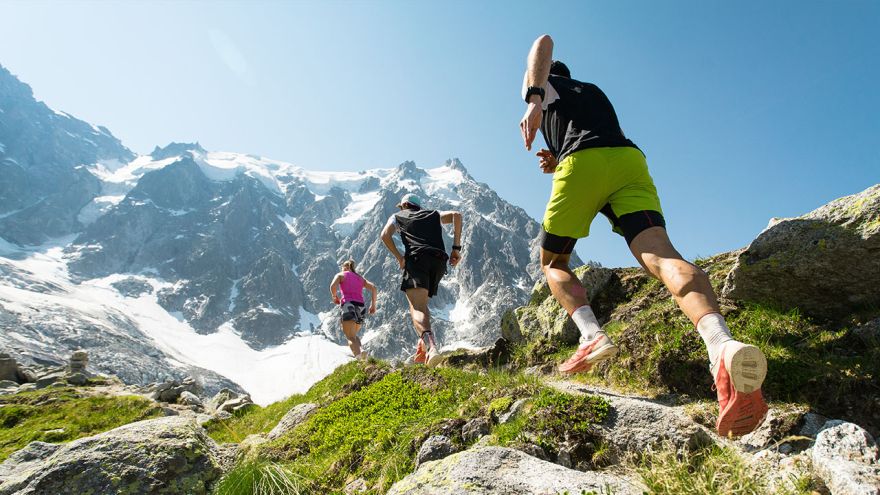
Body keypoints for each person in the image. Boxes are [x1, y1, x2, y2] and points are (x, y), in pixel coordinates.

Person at [518, 34, 768, 437]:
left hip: (583, 165)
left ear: (547, 79)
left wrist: (532, 97)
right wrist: (556, 154)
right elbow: (583, 133)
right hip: (628, 161)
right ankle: (721, 345)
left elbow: (541, 43)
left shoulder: (543, 86)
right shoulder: (591, 92)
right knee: (661, 256)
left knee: (553, 262)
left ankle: (591, 336)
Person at [380, 193, 462, 368]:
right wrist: (456, 249)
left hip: (417, 259)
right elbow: (457, 215)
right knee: (422, 305)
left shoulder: (397, 216)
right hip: (439, 261)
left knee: (416, 307)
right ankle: (422, 346)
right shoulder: (432, 214)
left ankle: (431, 347)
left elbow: (385, 235)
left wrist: (399, 257)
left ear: (403, 206)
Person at [329, 259, 377, 360]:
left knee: (350, 336)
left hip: (348, 304)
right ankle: (361, 351)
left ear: (345, 267)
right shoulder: (360, 278)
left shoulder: (341, 275)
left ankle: (359, 358)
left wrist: (334, 296)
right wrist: (373, 305)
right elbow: (373, 288)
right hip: (361, 306)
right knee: (354, 334)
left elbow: (333, 286)